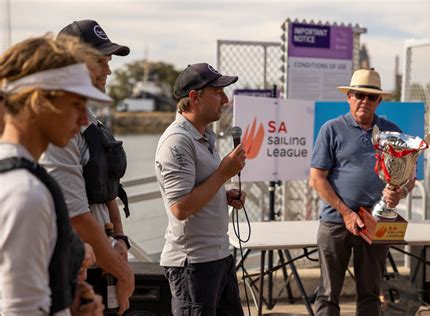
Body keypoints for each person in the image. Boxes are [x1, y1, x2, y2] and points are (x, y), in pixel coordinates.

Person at [0, 35, 105, 315]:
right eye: (76, 103)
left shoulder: (16, 180)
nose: (84, 119)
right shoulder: (26, 193)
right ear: (39, 100)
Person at [39, 20, 134, 314]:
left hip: (99, 255)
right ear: (72, 63)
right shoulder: (58, 126)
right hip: (72, 264)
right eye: (100, 62)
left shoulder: (88, 117)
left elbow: (107, 186)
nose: (108, 71)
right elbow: (76, 214)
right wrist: (123, 272)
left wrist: (119, 238)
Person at [309, 68, 416, 316]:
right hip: (336, 222)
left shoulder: (392, 131)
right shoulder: (331, 129)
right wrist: (346, 213)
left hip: (375, 222)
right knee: (327, 294)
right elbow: (317, 179)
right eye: (359, 95)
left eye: (370, 97)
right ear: (349, 97)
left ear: (379, 101)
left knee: (370, 293)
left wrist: (399, 192)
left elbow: (409, 176)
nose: (364, 101)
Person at [155, 63, 247, 315]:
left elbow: (200, 188)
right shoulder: (177, 141)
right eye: (218, 92)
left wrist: (223, 194)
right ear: (194, 97)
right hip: (193, 265)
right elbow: (181, 207)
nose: (225, 100)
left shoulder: (204, 136)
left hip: (218, 256)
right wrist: (223, 174)